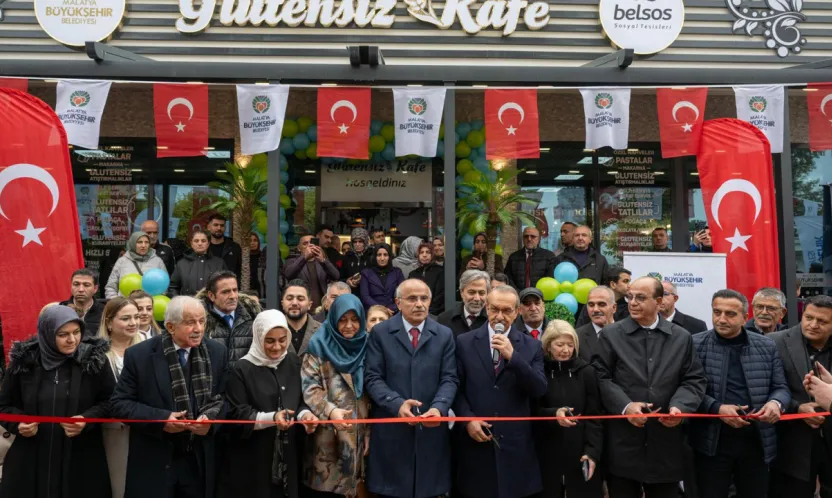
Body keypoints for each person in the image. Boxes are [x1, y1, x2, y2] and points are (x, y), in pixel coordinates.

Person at [592, 276, 706, 498]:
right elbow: (600, 377)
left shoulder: (681, 337)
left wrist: (679, 408)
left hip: (666, 444)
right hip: (623, 443)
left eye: (640, 298)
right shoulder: (611, 335)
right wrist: (625, 406)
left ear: (659, 301)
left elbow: (694, 379)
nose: (632, 302)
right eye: (630, 297)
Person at [110, 295, 228, 498]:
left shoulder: (217, 352)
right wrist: (161, 420)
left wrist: (211, 422)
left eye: (202, 321)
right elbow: (119, 404)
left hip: (200, 460)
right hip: (155, 460)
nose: (199, 328)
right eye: (190, 322)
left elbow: (227, 398)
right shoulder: (140, 355)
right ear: (171, 327)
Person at [0, 305, 114, 498]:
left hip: (80, 456)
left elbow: (111, 402)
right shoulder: (25, 362)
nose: (72, 340)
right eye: (63, 334)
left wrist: (86, 420)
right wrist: (17, 423)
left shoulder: (93, 361)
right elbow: (4, 405)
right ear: (47, 333)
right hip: (31, 455)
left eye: (77, 332)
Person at [690, 289, 790, 498]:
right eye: (717, 312)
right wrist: (718, 408)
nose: (722, 319)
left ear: (745, 318)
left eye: (730, 314)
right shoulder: (695, 344)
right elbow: (688, 389)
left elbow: (781, 387)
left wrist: (775, 403)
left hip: (756, 441)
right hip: (712, 441)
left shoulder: (766, 345)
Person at [365, 279, 459, 498]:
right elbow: (372, 377)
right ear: (398, 302)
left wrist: (439, 408)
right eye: (412, 299)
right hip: (392, 430)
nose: (419, 304)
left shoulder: (443, 334)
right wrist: (397, 404)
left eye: (424, 298)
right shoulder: (381, 333)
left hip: (431, 431)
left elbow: (450, 378)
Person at [453, 285, 548, 498]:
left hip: (516, 447)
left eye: (506, 311)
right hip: (476, 445)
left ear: (517, 313)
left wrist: (513, 357)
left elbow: (539, 388)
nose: (499, 316)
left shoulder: (532, 346)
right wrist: (468, 419)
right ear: (486, 308)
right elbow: (455, 388)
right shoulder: (465, 342)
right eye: (495, 309)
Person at [218, 310, 318, 498]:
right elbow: (239, 413)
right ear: (258, 337)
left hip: (287, 456)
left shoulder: (293, 361)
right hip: (254, 458)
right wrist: (273, 418)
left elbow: (300, 401)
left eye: (282, 340)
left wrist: (306, 416)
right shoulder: (241, 369)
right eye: (270, 340)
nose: (277, 347)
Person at [301, 294, 371, 497]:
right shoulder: (318, 344)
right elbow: (309, 387)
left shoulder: (367, 344)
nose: (349, 325)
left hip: (360, 434)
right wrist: (330, 411)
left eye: (355, 319)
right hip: (328, 437)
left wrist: (368, 430)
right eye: (342, 319)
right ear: (333, 319)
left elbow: (372, 390)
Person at [768, 295, 832, 498]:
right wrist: (797, 407)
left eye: (822, 321)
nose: (813, 325)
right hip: (793, 443)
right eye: (808, 317)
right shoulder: (774, 342)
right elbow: (763, 387)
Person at [535, 320, 603, 498]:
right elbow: (533, 410)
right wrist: (553, 414)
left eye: (570, 345)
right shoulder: (539, 371)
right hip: (547, 454)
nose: (565, 350)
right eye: (560, 345)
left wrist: (592, 452)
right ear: (548, 346)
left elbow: (595, 416)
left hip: (579, 453)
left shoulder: (587, 372)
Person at [98, 297, 145, 498]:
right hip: (113, 433)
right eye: (126, 318)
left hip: (146, 429)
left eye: (136, 317)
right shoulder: (97, 354)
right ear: (109, 322)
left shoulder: (149, 347)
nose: (133, 323)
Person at [199, 270, 260, 367]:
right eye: (225, 292)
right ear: (211, 296)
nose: (233, 296)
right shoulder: (200, 322)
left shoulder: (253, 316)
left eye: (235, 290)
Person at [284, 235, 340, 310]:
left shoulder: (322, 262)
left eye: (311, 243)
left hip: (321, 309)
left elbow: (336, 276)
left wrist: (323, 260)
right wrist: (304, 258)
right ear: (299, 248)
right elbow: (288, 274)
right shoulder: (292, 261)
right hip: (301, 307)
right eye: (305, 244)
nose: (309, 246)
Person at [105, 231, 168, 298]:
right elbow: (111, 287)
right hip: (126, 306)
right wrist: (118, 304)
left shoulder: (157, 261)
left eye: (146, 242)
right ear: (132, 243)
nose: (143, 245)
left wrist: (153, 302)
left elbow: (164, 286)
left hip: (149, 306)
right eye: (139, 242)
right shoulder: (122, 261)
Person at [170, 229, 228, 297]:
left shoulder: (219, 263)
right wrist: (180, 302)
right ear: (191, 243)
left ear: (208, 243)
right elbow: (173, 288)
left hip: (212, 305)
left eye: (203, 241)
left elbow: (227, 286)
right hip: (188, 305)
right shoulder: (181, 264)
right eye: (196, 241)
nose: (200, 243)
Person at [437, 270, 490, 337]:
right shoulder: (444, 320)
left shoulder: (492, 320)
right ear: (461, 292)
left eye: (481, 293)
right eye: (471, 292)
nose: (477, 298)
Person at [359, 243, 405, 314]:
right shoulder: (366, 273)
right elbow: (365, 297)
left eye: (385, 255)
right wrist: (382, 309)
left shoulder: (397, 272)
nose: (382, 258)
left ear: (389, 256)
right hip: (373, 313)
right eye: (379, 255)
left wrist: (392, 308)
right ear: (374, 256)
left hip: (393, 313)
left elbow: (404, 294)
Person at [60, 268, 106, 335]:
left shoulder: (104, 312)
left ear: (95, 289)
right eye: (76, 284)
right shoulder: (60, 310)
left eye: (86, 285)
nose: (81, 289)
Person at [576, 286, 616, 363]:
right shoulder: (577, 337)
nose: (595, 309)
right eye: (591, 305)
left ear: (614, 308)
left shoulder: (627, 334)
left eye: (601, 304)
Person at [282, 280, 322, 356]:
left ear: (309, 305)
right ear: (282, 303)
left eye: (300, 299)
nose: (294, 303)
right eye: (289, 298)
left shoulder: (323, 331)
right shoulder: (271, 330)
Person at [409, 241, 446, 316]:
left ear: (432, 255)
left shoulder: (440, 271)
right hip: (415, 311)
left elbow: (439, 296)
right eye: (421, 252)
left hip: (434, 313)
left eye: (428, 252)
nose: (424, 255)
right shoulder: (413, 274)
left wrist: (428, 311)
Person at [207, 213, 243, 281]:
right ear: (209, 227)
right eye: (216, 225)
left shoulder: (234, 247)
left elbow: (240, 270)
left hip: (229, 286)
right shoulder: (204, 247)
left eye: (222, 225)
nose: (219, 228)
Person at [341, 228, 372, 295]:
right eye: (355, 242)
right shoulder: (347, 256)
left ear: (365, 242)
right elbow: (341, 277)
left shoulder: (371, 255)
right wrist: (347, 281)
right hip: (350, 294)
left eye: (360, 241)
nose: (357, 244)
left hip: (368, 294)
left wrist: (363, 279)